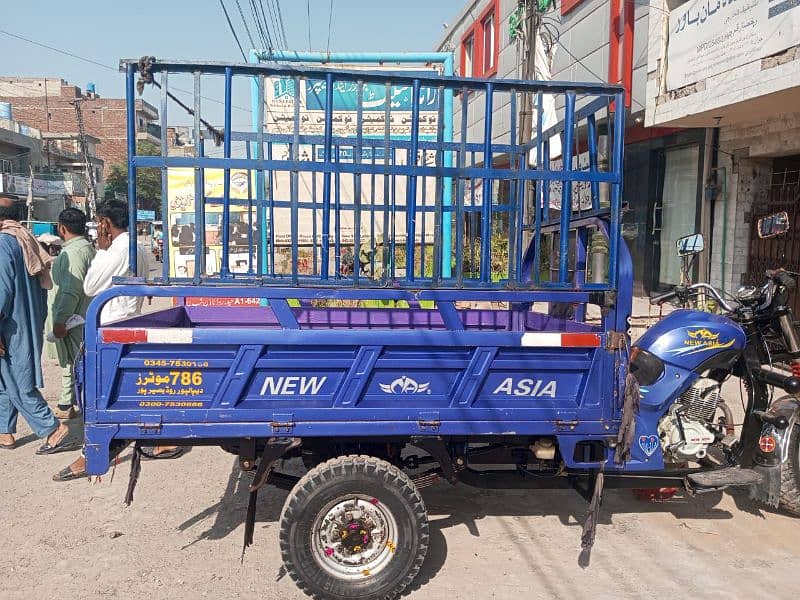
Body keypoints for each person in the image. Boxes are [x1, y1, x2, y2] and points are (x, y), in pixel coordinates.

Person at [54, 199, 182, 481]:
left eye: (99, 223)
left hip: (112, 326)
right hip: (127, 321)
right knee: (127, 392)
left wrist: (101, 250)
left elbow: (89, 286)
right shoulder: (138, 245)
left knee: (100, 395)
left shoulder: (117, 249)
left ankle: (95, 453)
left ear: (105, 223)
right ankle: (160, 439)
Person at [0, 194, 71, 453]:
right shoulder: (25, 238)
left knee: (17, 380)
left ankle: (51, 427)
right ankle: (5, 432)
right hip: (28, 319)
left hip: (11, 324)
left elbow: (2, 291)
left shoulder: (4, 242)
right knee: (5, 378)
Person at [48, 208, 96, 420]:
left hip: (72, 320)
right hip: (79, 317)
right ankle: (68, 403)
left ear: (62, 228)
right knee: (73, 363)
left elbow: (71, 290)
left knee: (76, 363)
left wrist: (60, 320)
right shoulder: (85, 248)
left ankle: (77, 407)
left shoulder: (74, 252)